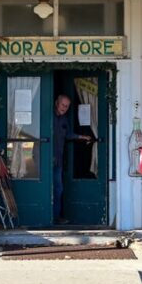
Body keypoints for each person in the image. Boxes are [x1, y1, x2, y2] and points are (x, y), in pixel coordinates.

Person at [53, 93, 93, 225]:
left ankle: (56, 217)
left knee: (58, 189)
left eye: (67, 106)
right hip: (44, 160)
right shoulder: (48, 116)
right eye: (63, 105)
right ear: (56, 103)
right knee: (48, 188)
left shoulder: (64, 119)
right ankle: (43, 217)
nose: (64, 108)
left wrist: (82, 137)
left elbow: (68, 134)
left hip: (58, 160)